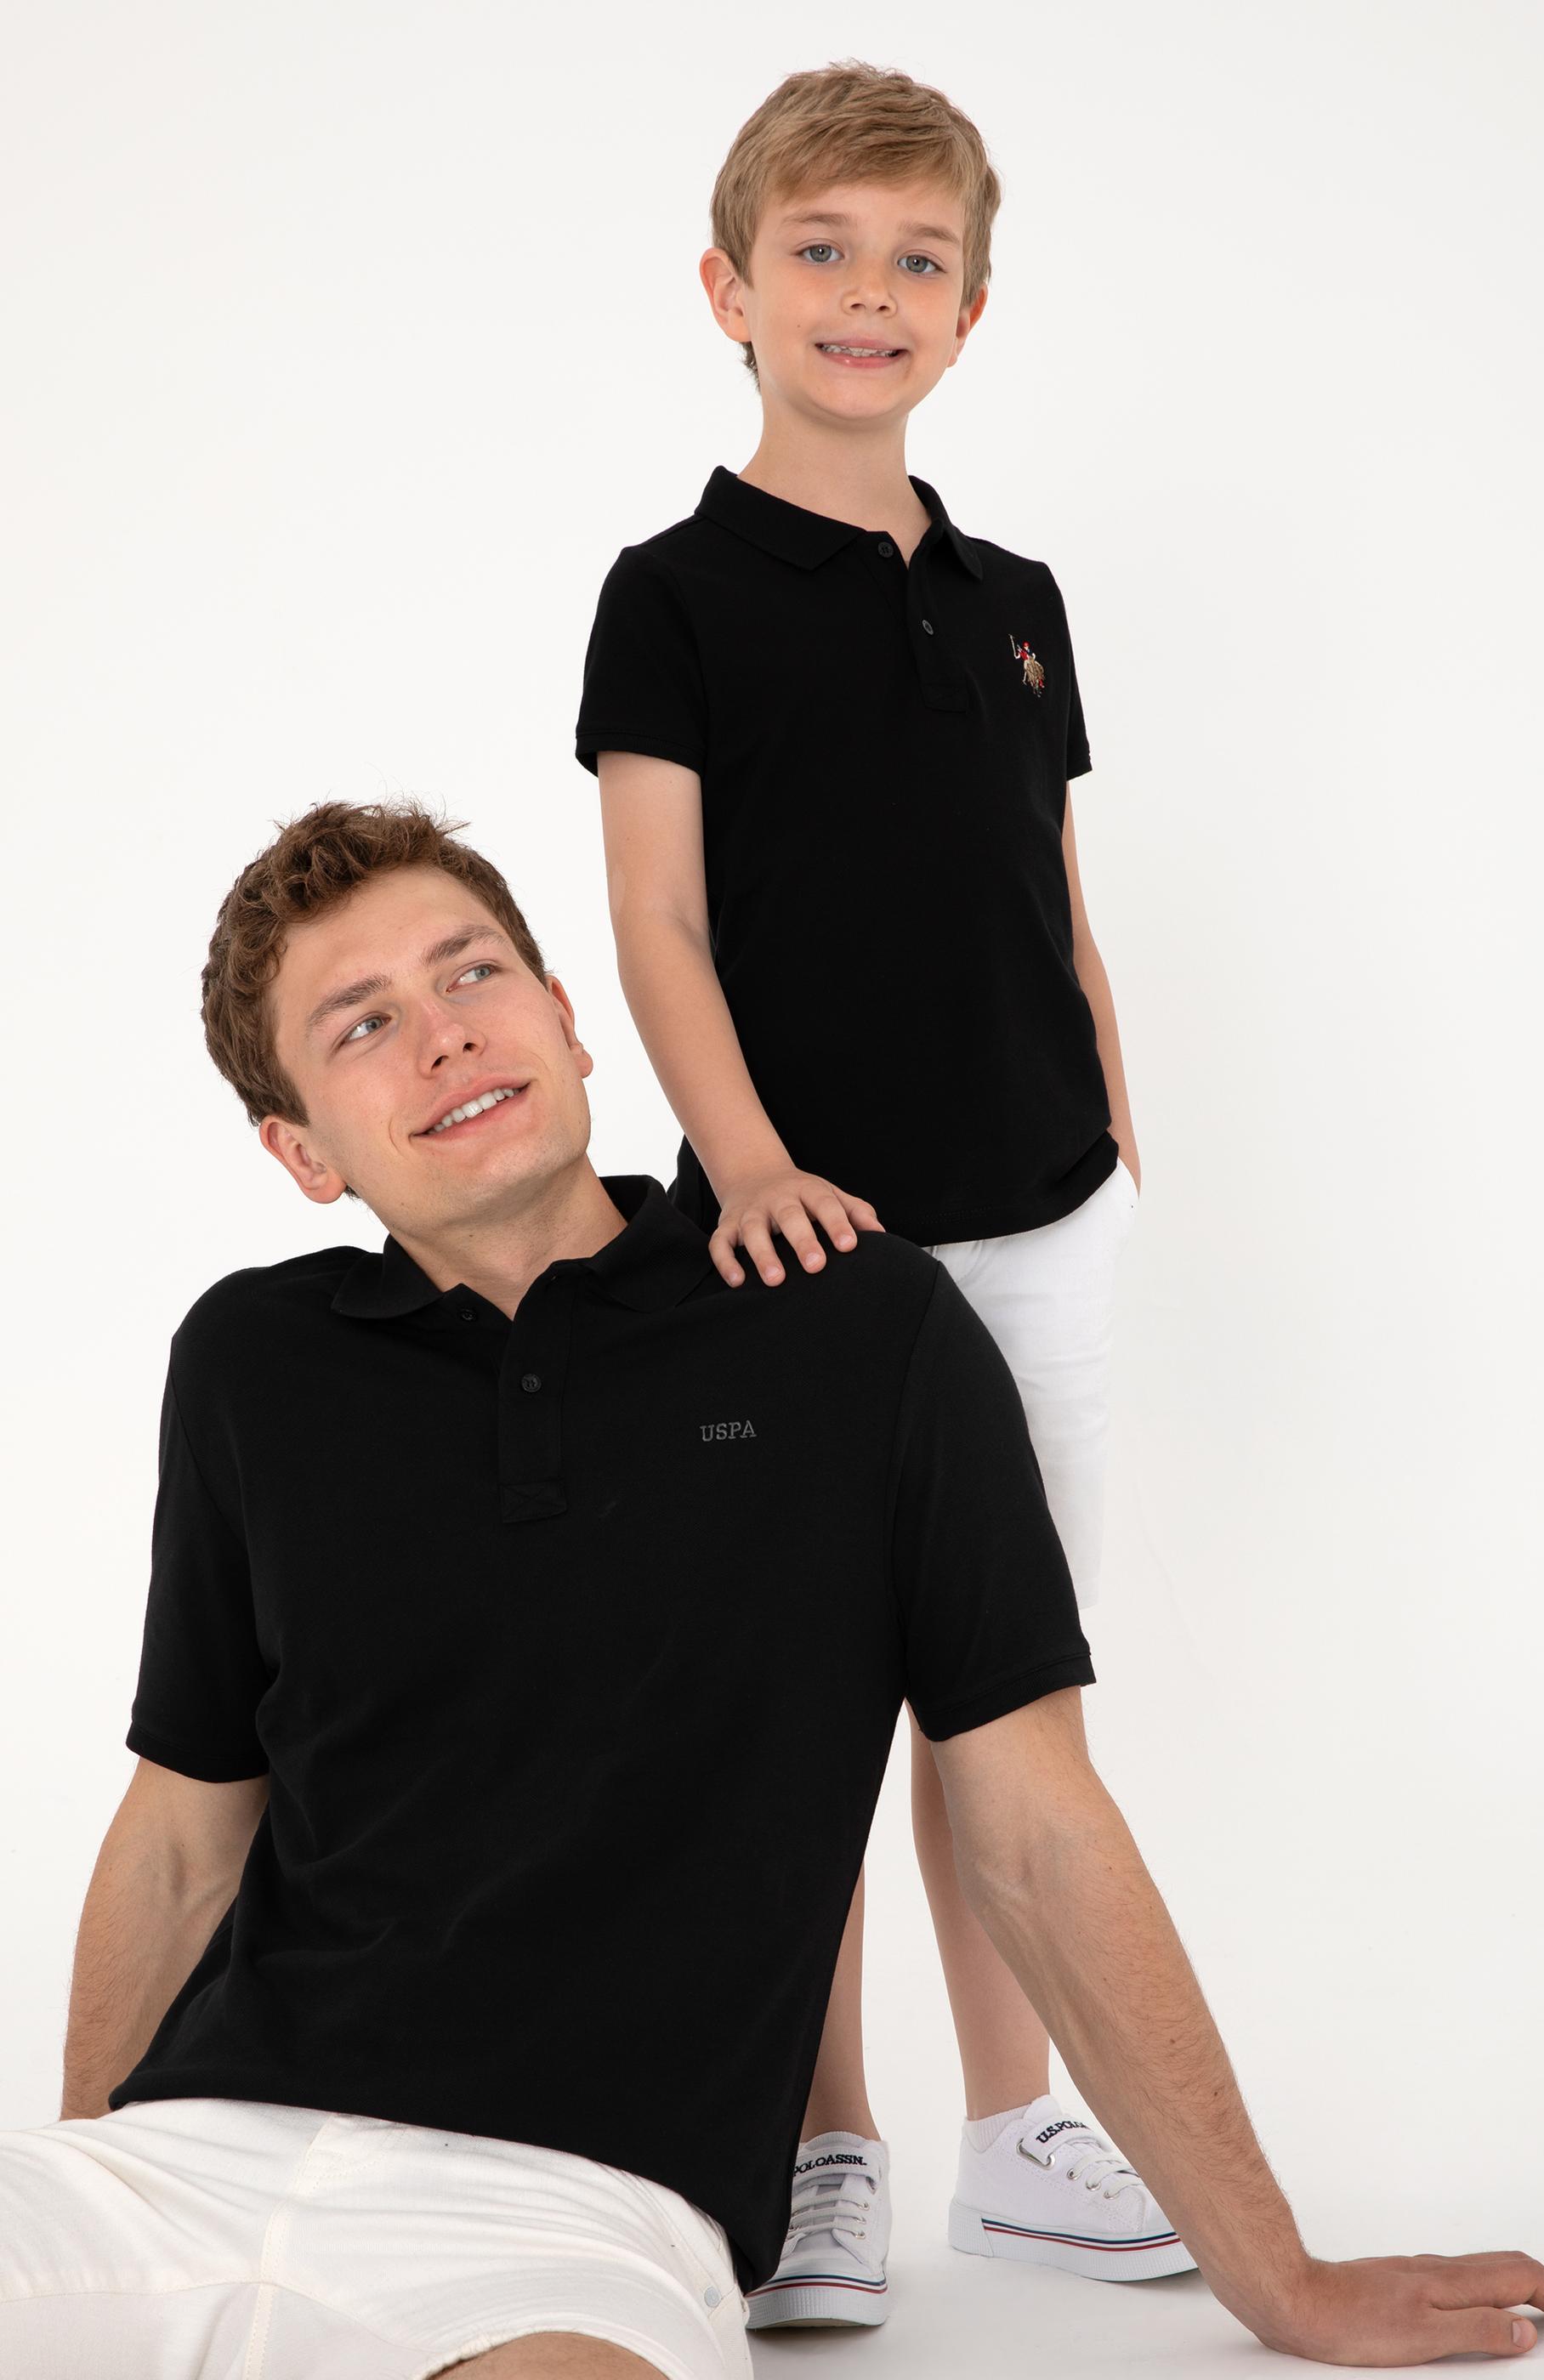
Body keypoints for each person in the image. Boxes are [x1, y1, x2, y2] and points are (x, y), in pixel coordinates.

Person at [3, 799, 1544, 2380]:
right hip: (190, 2152)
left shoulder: (860, 1331)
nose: (446, 1034)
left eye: (471, 972)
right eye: (364, 1023)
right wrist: (96, 2203)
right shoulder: (254, 1365)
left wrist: (1282, 2280)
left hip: (574, 2215)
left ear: (568, 1019)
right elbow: (181, 1840)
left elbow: (1035, 1836)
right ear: (301, 1152)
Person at [574, 58, 1147, 2320]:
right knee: (809, 1700)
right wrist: (745, 1165)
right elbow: (653, 917)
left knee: (1005, 1702)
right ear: (728, 288)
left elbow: (1048, 888)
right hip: (804, 1248)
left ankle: (1019, 2136)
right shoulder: (672, 598)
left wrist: (1116, 1126)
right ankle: (825, 2149)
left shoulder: (1018, 597)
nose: (867, 291)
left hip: (1047, 1222)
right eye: (819, 249)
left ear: (969, 314)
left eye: (918, 260)